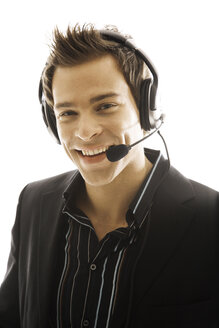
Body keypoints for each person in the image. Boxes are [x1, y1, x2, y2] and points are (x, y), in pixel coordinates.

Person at [0, 24, 218, 328]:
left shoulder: (210, 219)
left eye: (105, 106)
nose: (85, 132)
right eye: (67, 113)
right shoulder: (33, 203)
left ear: (146, 110)